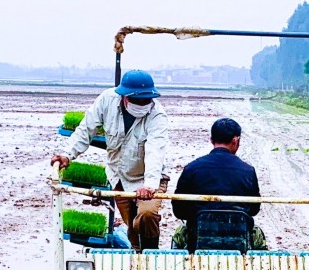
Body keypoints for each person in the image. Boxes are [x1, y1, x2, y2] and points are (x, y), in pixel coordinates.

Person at [51, 70, 168, 251]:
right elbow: (86, 129)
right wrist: (67, 154)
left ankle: (151, 255)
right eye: (138, 101)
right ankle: (137, 255)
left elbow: (155, 151)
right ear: (125, 98)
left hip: (147, 177)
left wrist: (150, 186)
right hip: (118, 176)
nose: (143, 105)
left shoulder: (157, 115)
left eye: (147, 100)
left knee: (147, 214)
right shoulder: (107, 100)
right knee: (133, 226)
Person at [171, 118, 266, 251]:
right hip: (239, 238)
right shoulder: (248, 171)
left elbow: (179, 210)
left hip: (197, 238)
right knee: (257, 234)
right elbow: (254, 209)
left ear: (211, 139)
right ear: (236, 140)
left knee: (179, 233)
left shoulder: (192, 168)